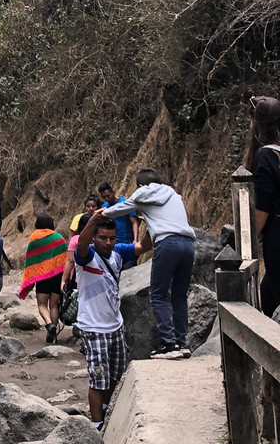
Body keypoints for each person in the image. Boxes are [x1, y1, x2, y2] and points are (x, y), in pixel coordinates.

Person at [104, 168, 195, 359]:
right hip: (188, 244)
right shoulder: (174, 195)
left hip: (167, 243)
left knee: (158, 294)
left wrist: (102, 213)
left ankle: (168, 344)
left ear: (140, 185)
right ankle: (182, 343)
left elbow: (121, 208)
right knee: (179, 295)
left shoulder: (143, 192)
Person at [74, 212, 152, 429]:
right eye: (102, 238)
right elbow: (81, 244)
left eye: (112, 238)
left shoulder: (117, 252)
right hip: (93, 327)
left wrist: (151, 223)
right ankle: (97, 425)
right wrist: (92, 220)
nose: (108, 243)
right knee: (98, 379)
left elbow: (143, 247)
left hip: (115, 325)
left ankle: (105, 411)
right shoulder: (86, 256)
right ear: (93, 237)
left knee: (115, 375)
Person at [249, 95, 280, 315]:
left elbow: (263, 208)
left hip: (277, 237)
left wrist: (247, 239)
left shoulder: (267, 155)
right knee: (267, 301)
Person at [19, 214, 68, 344]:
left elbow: (31, 258)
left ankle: (49, 324)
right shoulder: (58, 237)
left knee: (42, 305)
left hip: (42, 277)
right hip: (58, 277)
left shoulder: (34, 237)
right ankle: (53, 335)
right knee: (54, 305)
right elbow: (65, 258)